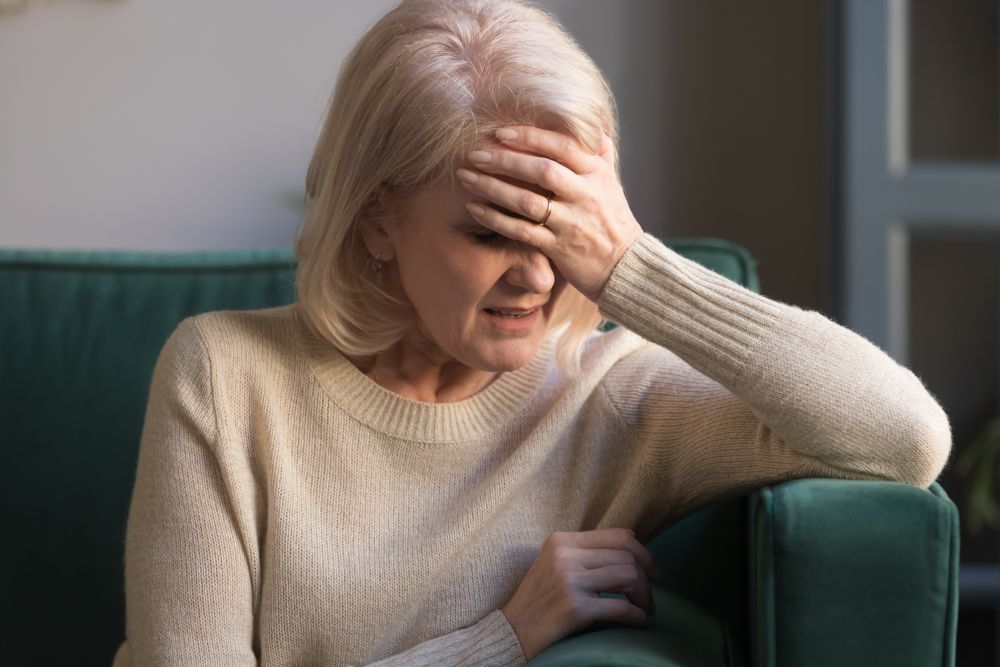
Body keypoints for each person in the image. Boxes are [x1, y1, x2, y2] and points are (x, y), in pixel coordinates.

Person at [113, 0, 953, 665]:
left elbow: (903, 435)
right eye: (489, 232)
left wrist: (628, 262)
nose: (539, 276)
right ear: (377, 220)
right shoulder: (224, 376)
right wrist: (502, 640)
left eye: (562, 231)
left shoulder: (613, 397)